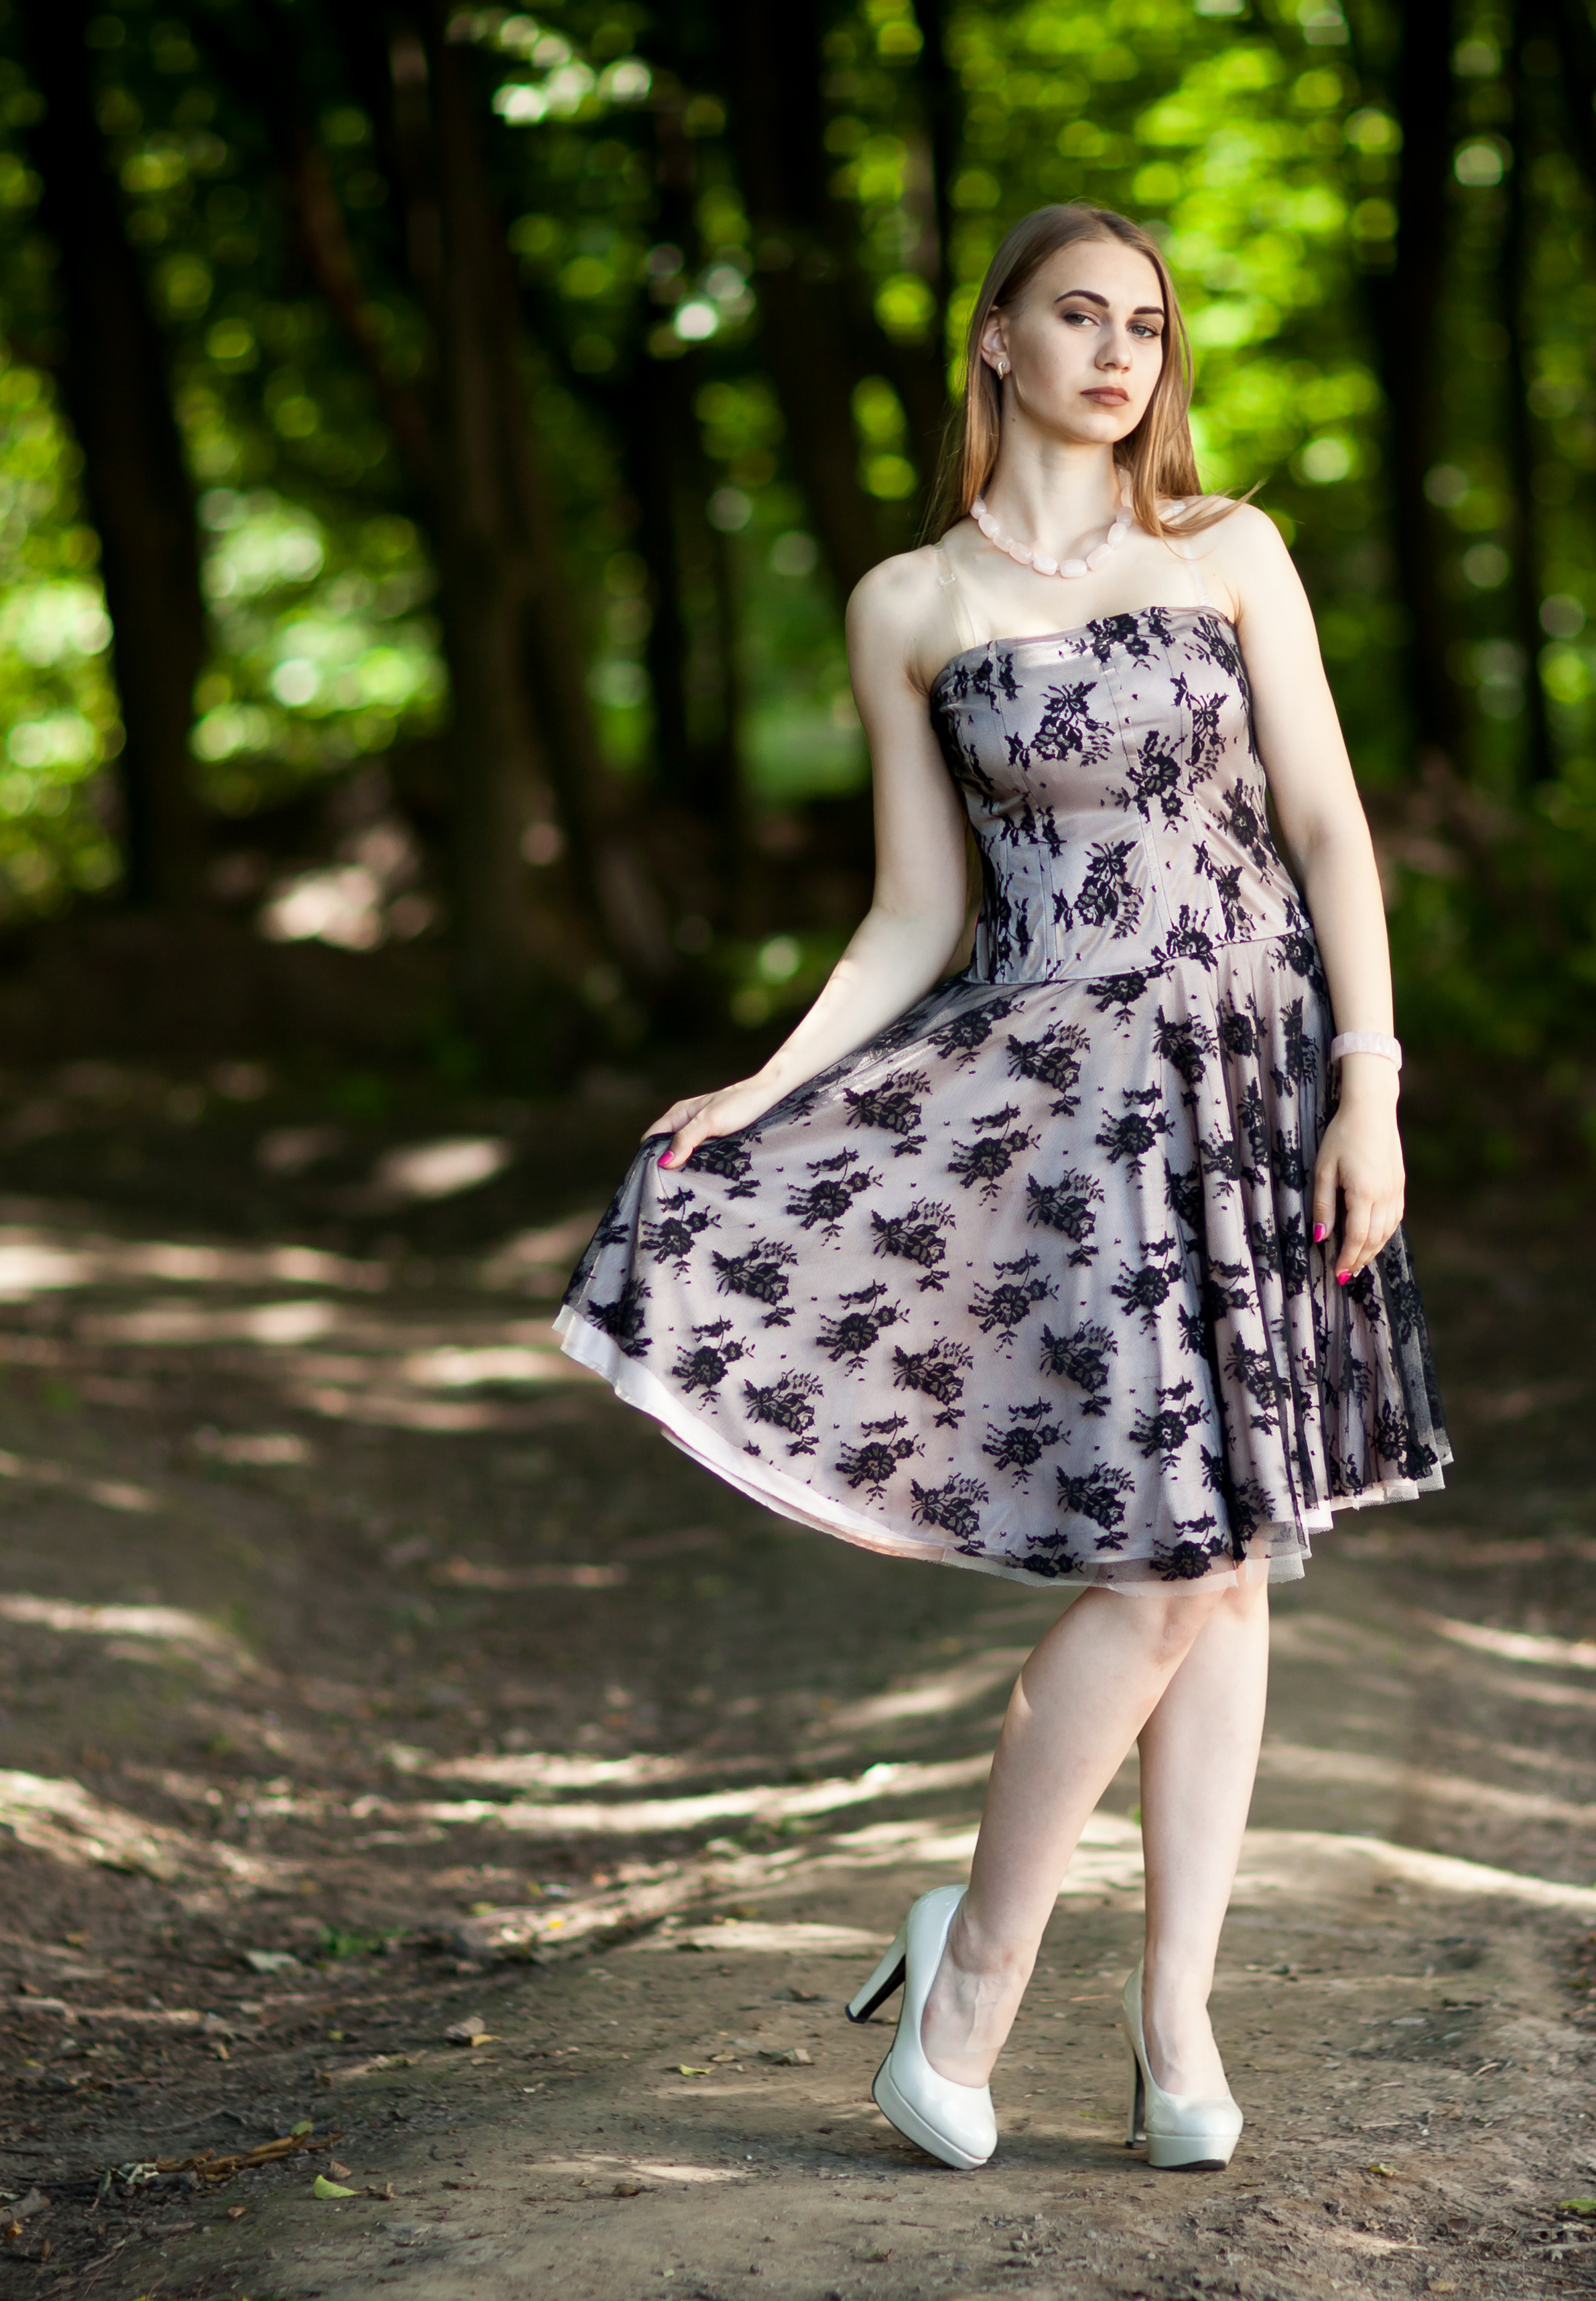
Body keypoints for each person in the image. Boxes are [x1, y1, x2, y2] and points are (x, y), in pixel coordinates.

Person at [553, 202, 1450, 2174]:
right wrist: (774, 1083)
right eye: (1080, 314)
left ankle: (1174, 2026)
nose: (1123, 353)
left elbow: (1328, 826)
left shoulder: (1230, 554)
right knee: (1177, 1565)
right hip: (1066, 1116)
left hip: (1256, 1085)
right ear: (996, 346)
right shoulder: (911, 606)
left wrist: (1367, 1087)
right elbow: (912, 913)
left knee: (1230, 1568)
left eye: (1150, 321)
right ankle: (975, 1970)